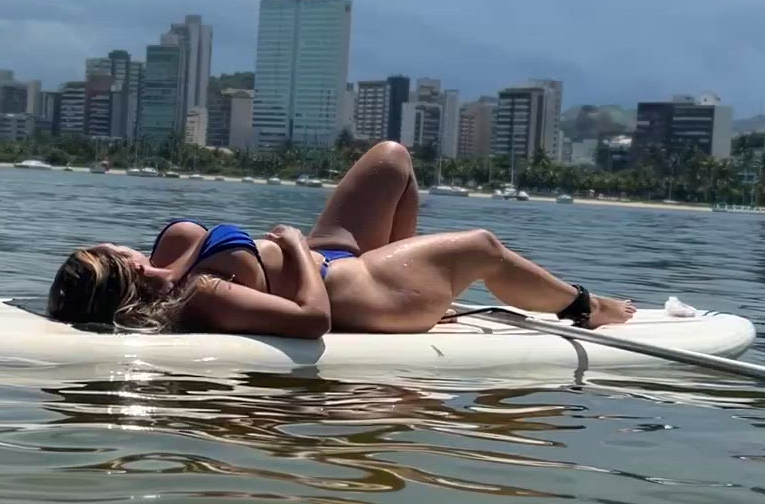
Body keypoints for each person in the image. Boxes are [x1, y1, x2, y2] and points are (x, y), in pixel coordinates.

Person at [47, 141, 634, 337]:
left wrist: (303, 250)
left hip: (334, 258)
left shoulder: (169, 261)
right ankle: (585, 306)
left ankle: (430, 289)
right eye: (110, 253)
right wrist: (294, 248)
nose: (118, 245)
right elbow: (312, 321)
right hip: (367, 292)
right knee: (481, 245)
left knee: (392, 159)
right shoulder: (198, 294)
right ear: (122, 273)